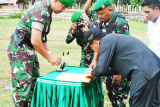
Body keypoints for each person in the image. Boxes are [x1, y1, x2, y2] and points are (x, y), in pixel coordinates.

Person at [6, 0, 75, 106]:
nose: (63, 10)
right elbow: (35, 40)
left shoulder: (48, 10)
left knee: (34, 82)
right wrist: (49, 57)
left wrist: (49, 53)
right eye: (63, 7)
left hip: (28, 49)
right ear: (56, 1)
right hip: (20, 49)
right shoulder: (40, 10)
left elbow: (42, 37)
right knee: (23, 88)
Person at [84, 28, 160, 107]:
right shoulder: (113, 39)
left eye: (91, 47)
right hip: (154, 67)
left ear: (95, 42)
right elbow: (113, 69)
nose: (93, 50)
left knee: (138, 103)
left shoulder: (105, 41)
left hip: (144, 72)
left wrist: (92, 72)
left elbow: (101, 69)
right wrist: (94, 72)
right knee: (153, 103)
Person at [83, 0, 130, 106]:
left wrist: (119, 73)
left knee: (119, 101)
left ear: (111, 9)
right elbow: (99, 43)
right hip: (107, 67)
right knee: (111, 97)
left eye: (101, 13)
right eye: (98, 14)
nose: (99, 16)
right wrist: (95, 60)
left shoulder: (120, 23)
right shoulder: (101, 22)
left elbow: (124, 50)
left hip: (119, 69)